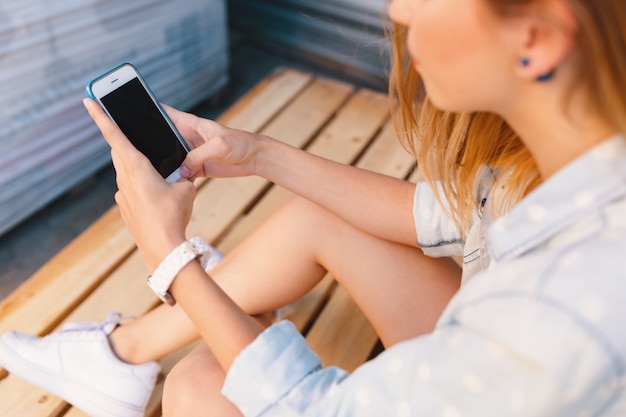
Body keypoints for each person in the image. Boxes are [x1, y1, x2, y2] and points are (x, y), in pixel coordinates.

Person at [1, 0, 625, 415]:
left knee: (197, 385)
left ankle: (128, 353)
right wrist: (257, 153)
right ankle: (124, 355)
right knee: (322, 220)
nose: (396, 9)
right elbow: (445, 216)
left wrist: (170, 259)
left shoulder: (563, 307)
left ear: (537, 39)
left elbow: (311, 408)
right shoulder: (579, 163)